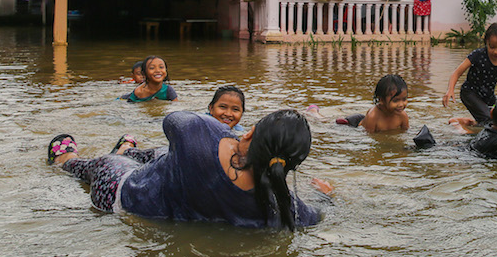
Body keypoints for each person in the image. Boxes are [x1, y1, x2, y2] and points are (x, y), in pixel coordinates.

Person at [47, 109, 332, 230]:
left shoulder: (199, 134)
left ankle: (68, 158)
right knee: (160, 154)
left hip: (123, 195)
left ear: (251, 132)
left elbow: (174, 121)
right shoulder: (284, 207)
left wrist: (225, 134)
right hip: (172, 194)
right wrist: (326, 195)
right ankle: (127, 150)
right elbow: (314, 215)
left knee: (101, 164)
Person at [120, 85, 247, 164]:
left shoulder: (239, 131)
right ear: (211, 108)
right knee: (139, 156)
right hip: (170, 153)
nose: (228, 114)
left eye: (235, 110)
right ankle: (127, 144)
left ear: (242, 113)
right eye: (223, 107)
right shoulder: (200, 124)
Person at [442, 22, 497, 126]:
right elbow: (457, 72)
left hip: (488, 96)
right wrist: (450, 90)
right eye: (491, 46)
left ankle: (467, 122)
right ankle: (460, 129)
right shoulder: (478, 55)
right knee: (490, 121)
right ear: (486, 42)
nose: (495, 52)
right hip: (470, 93)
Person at [335, 74, 410, 133]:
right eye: (395, 100)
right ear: (381, 100)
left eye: (404, 99)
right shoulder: (373, 117)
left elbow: (405, 133)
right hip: (355, 123)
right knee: (342, 123)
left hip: (366, 120)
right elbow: (368, 137)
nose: (401, 104)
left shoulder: (402, 116)